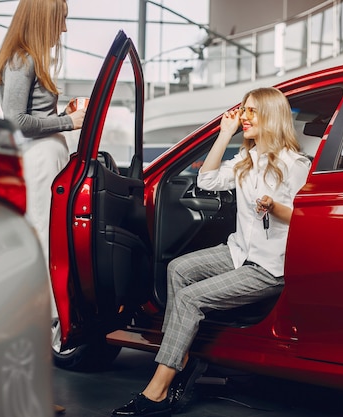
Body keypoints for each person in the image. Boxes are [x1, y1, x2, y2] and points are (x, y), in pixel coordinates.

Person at [112, 87, 311, 417]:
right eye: (243, 111)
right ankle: (183, 357)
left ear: (272, 116)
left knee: (190, 299)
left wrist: (275, 208)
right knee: (177, 269)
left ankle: (158, 389)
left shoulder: (295, 164)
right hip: (238, 253)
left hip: (268, 267)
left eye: (252, 111)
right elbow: (206, 181)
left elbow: (306, 219)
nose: (244, 117)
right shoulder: (247, 160)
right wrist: (224, 133)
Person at [0, 0, 85, 414]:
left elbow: (32, 116)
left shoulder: (31, 58)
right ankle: (37, 362)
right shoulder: (22, 57)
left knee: (49, 254)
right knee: (44, 254)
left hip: (50, 159)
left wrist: (62, 115)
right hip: (41, 162)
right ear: (46, 15)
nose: (65, 22)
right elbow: (16, 120)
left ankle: (32, 382)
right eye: (61, 14)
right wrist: (69, 123)